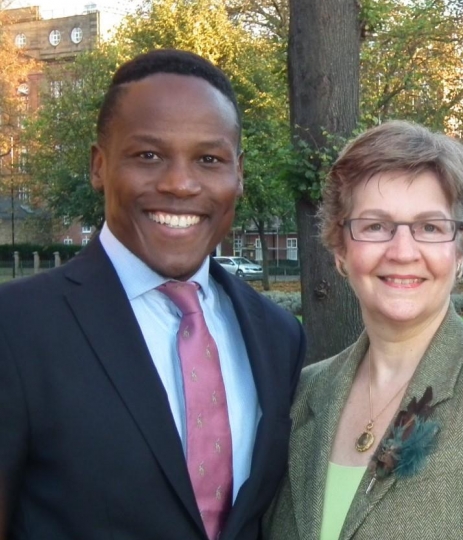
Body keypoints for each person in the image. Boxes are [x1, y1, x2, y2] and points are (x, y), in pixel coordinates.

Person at [0, 49, 305, 540]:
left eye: (209, 159)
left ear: (238, 173)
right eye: (149, 155)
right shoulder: (15, 329)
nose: (180, 184)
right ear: (99, 166)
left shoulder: (278, 337)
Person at [263, 120, 463, 539]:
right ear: (340, 250)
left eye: (429, 227)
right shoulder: (302, 395)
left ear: (460, 249)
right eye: (375, 226)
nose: (403, 251)